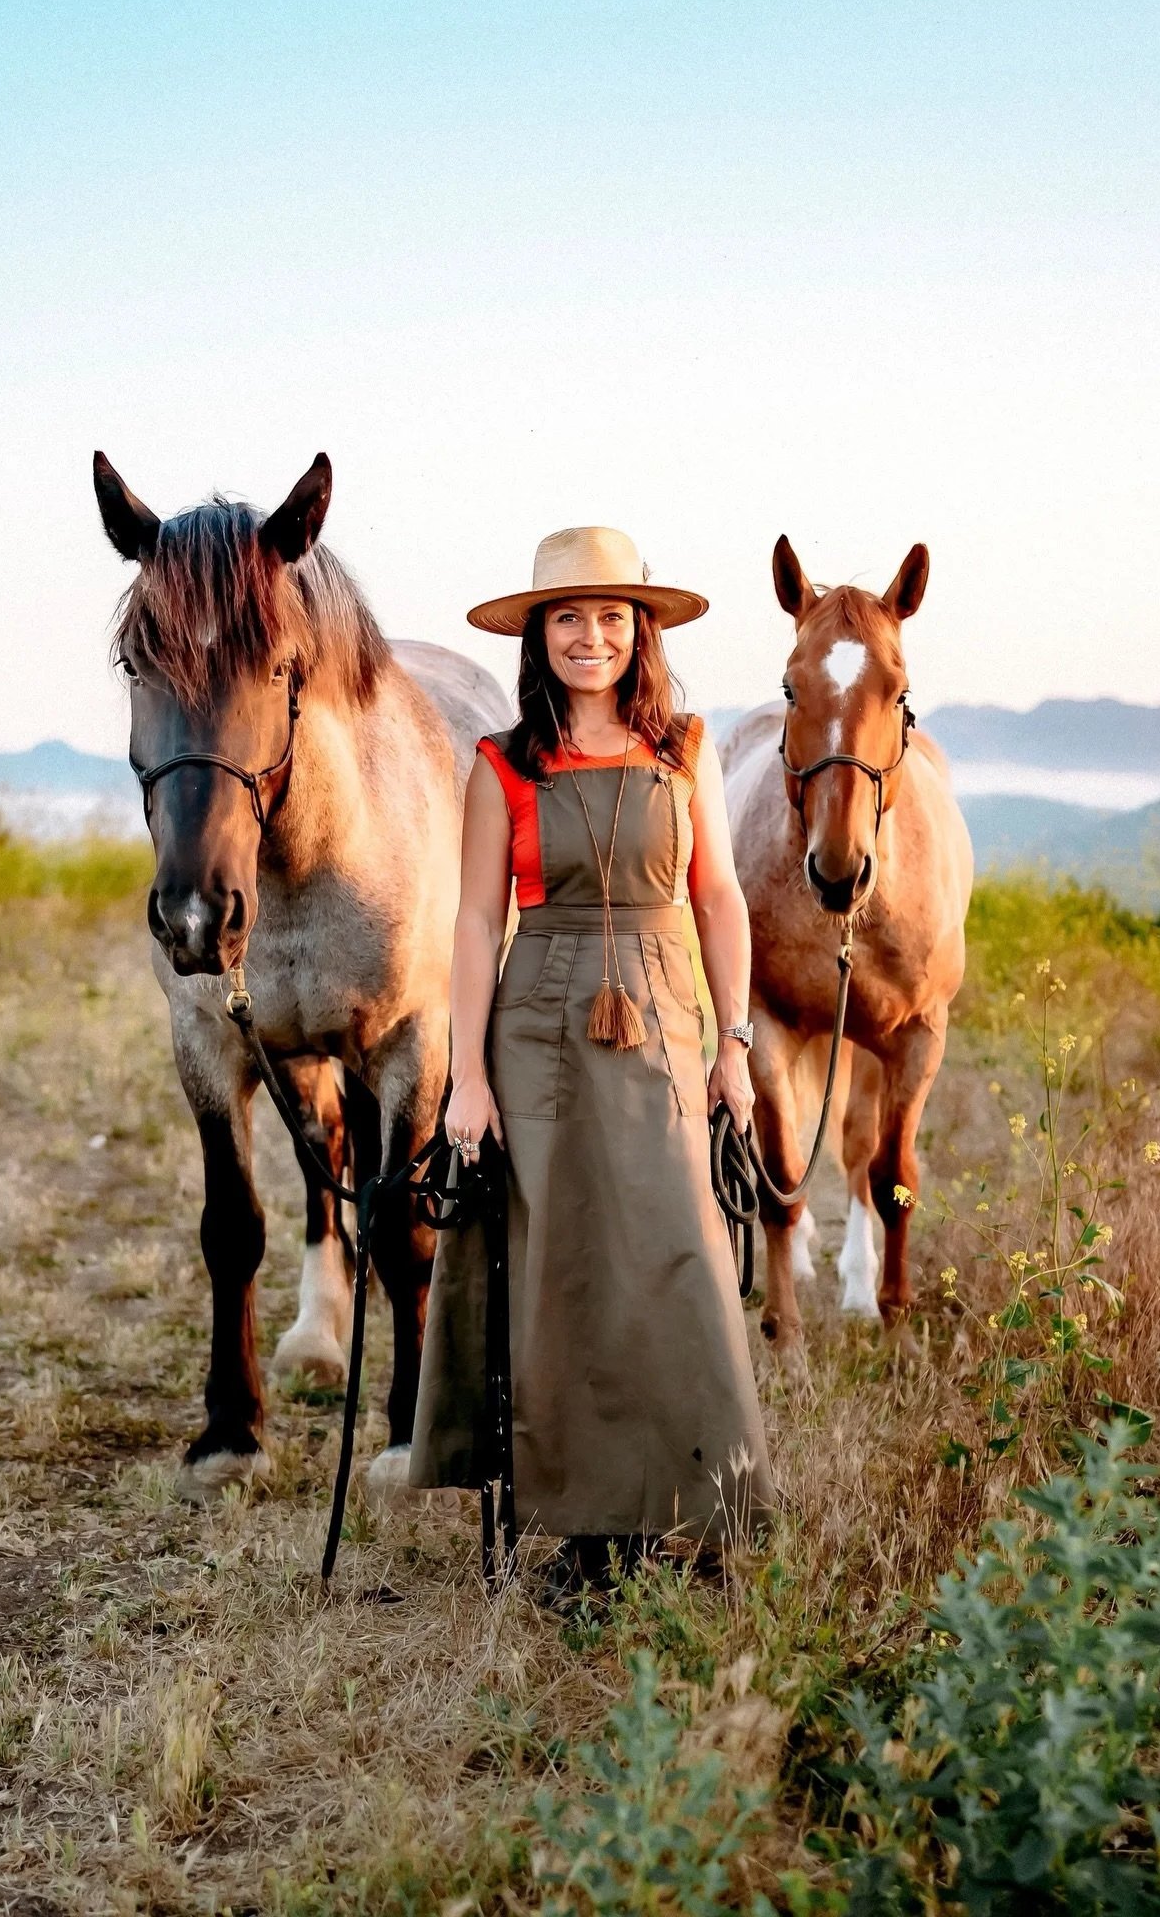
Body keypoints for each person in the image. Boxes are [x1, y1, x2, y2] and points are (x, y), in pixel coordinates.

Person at [409, 526, 773, 1594]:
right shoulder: (503, 765)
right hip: (538, 1025)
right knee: (561, 1267)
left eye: (611, 616)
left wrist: (735, 1044)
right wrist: (468, 1077)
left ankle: (687, 1506)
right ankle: (583, 1535)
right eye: (568, 617)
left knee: (673, 1255)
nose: (591, 636)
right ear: (539, 635)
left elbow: (719, 898)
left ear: (640, 631)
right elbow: (476, 921)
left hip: (664, 1018)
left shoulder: (687, 749)